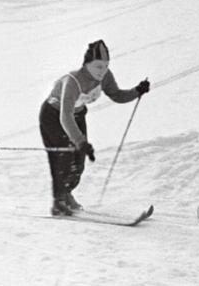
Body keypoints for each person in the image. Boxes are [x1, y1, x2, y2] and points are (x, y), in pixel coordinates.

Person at [39, 40, 150, 216]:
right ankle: (58, 202)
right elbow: (65, 116)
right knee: (64, 156)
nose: (102, 70)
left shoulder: (105, 77)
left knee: (79, 162)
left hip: (77, 115)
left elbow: (117, 95)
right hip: (53, 116)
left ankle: (66, 193)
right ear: (87, 64)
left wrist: (137, 91)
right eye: (98, 66)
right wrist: (80, 141)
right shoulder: (72, 81)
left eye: (106, 66)